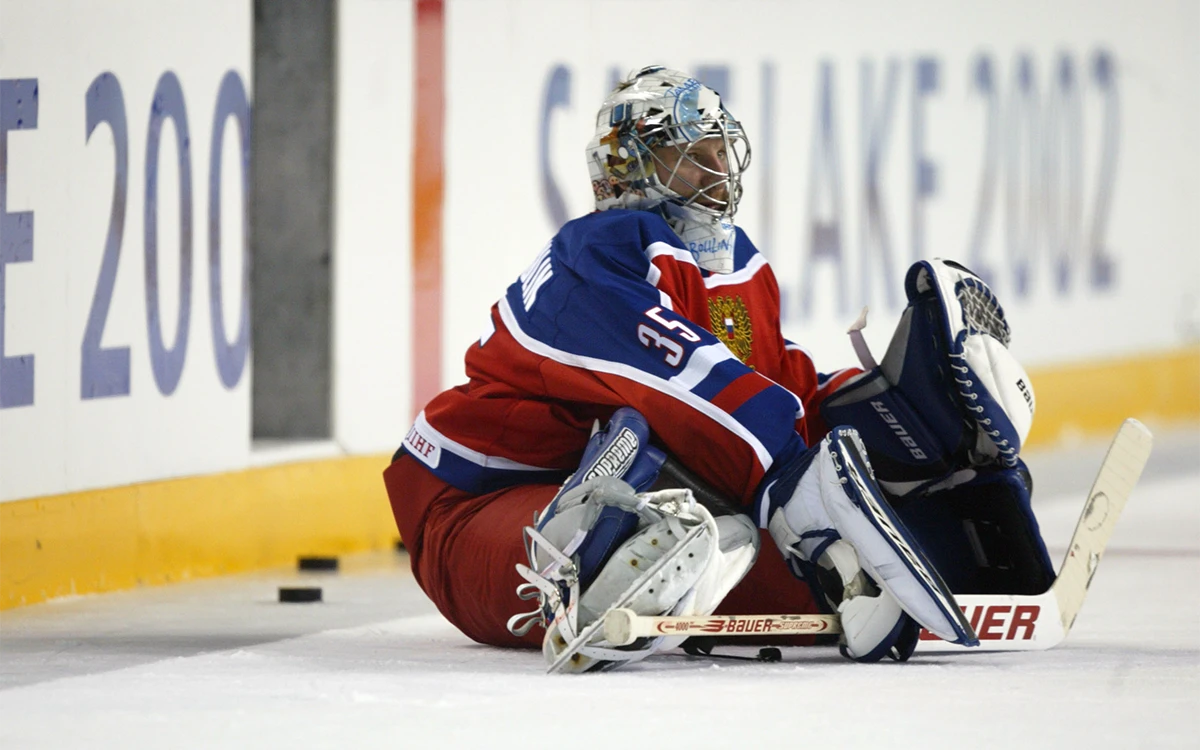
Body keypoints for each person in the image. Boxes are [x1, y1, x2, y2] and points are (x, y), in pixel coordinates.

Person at [384, 66, 1052, 672]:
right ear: (629, 167)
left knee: (741, 532)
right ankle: (594, 573)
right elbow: (686, 386)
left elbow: (777, 386)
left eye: (717, 151)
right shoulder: (597, 255)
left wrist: (902, 420)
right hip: (473, 507)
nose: (714, 170)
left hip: (608, 486)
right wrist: (797, 486)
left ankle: (950, 542)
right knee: (639, 488)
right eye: (688, 155)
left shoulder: (738, 264)